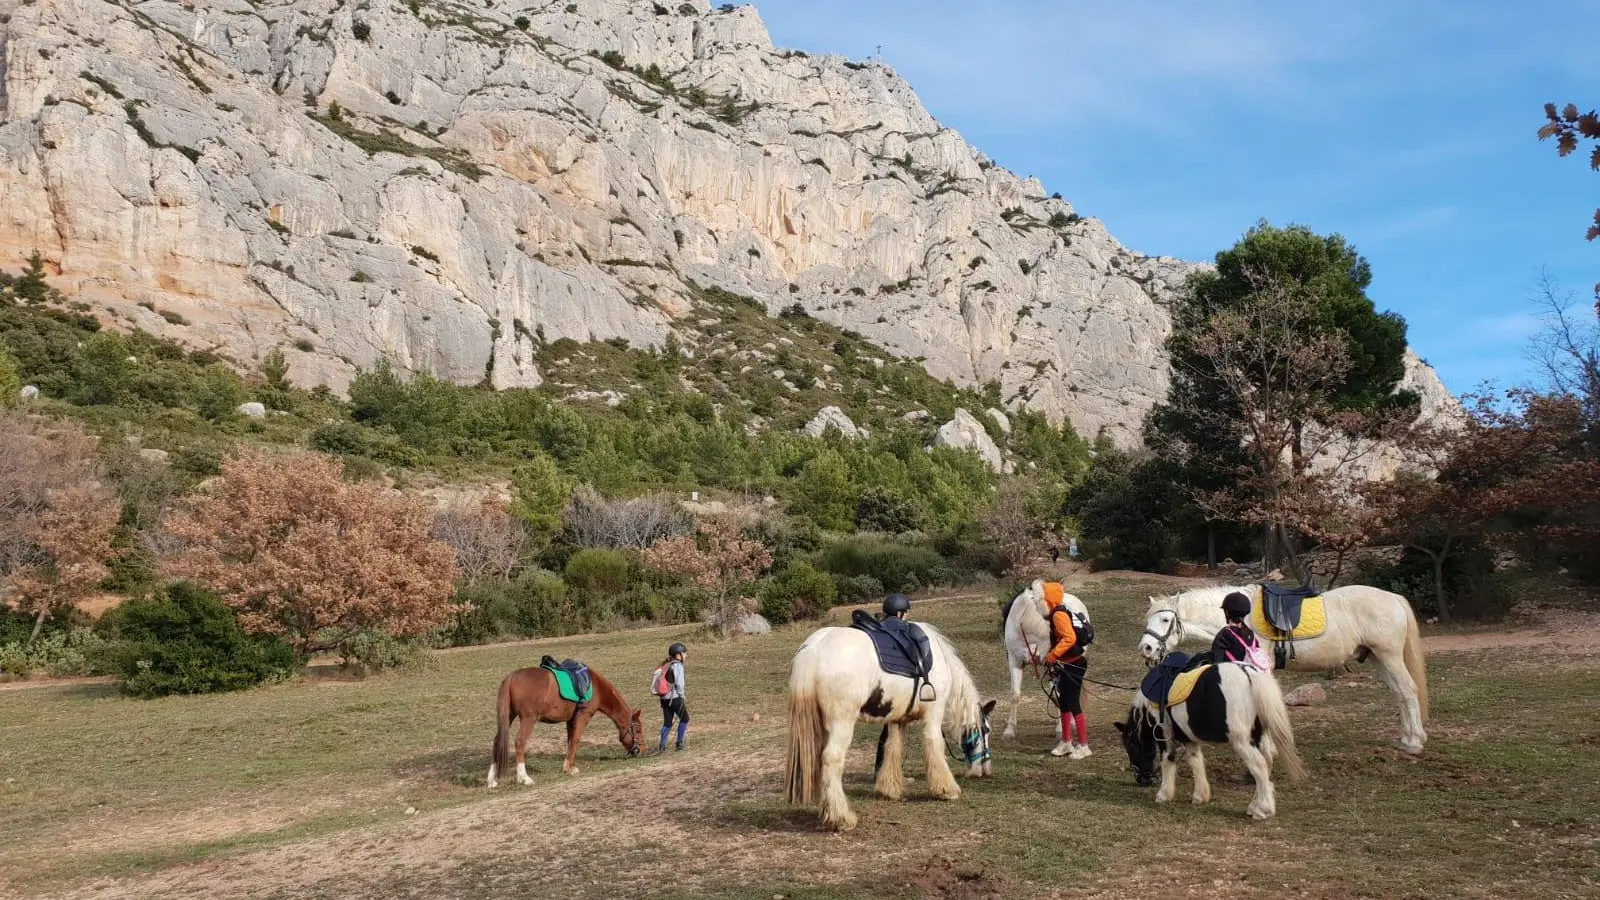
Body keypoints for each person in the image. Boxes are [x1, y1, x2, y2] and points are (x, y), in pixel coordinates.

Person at [1043, 583, 1090, 759]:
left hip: (1074, 664)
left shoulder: (1058, 615)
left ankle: (1084, 746)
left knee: (1073, 704)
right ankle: (1066, 742)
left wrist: (1052, 656)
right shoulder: (1057, 612)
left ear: (1049, 601)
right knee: (1064, 703)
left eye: (1042, 599)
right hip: (1067, 663)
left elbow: (1069, 638)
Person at [874, 593, 914, 773]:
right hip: (894, 692)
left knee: (886, 730)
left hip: (880, 688)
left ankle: (880, 769)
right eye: (906, 613)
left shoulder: (878, 631)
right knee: (891, 731)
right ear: (899, 614)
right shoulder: (903, 635)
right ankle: (884, 771)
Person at [1211, 592, 1269, 671]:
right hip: (1250, 673)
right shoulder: (1250, 633)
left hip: (1231, 675)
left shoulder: (1225, 634)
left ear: (1227, 612)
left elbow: (1216, 663)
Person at [657, 642, 689, 752]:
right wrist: (682, 695)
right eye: (684, 653)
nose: (686, 655)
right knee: (685, 719)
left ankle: (662, 746)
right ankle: (679, 744)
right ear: (678, 654)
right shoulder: (678, 665)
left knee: (667, 722)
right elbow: (679, 684)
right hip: (674, 698)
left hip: (664, 698)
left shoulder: (667, 664)